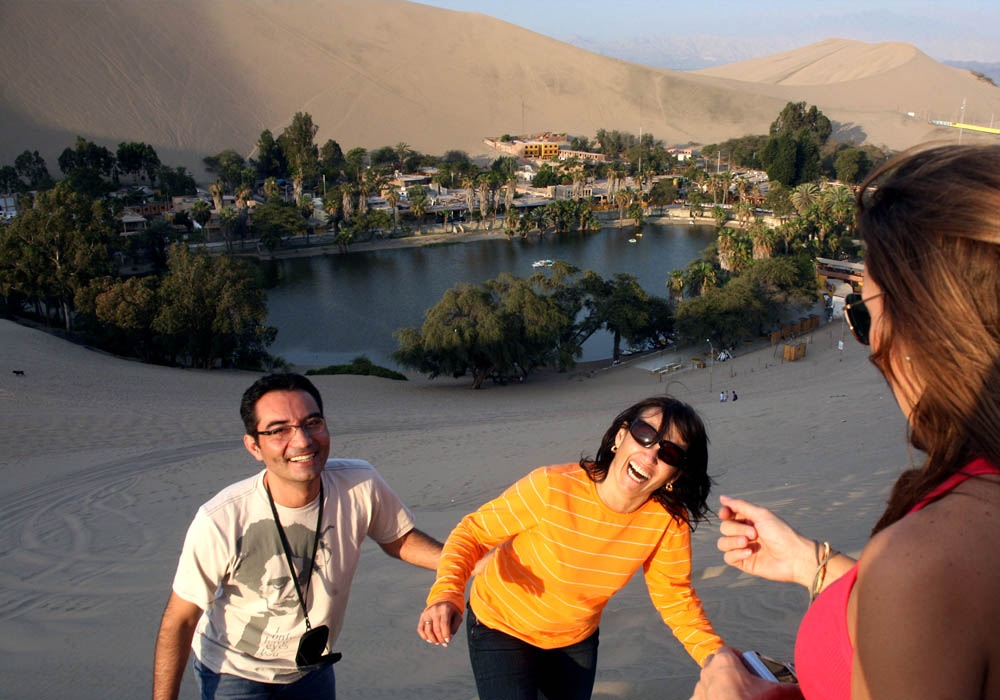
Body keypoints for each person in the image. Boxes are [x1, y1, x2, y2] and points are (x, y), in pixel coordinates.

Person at [691, 144, 1000, 700]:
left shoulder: (927, 561)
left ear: (925, 329)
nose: (869, 344)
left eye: (865, 315)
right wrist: (814, 565)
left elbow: (929, 594)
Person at [153, 373, 443, 700]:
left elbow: (398, 539)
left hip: (311, 668)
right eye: (279, 431)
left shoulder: (359, 483)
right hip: (234, 672)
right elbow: (180, 618)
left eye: (312, 423)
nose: (302, 441)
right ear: (254, 446)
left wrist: (466, 562)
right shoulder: (222, 518)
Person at [419, 395, 724, 700]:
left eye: (669, 452)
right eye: (645, 434)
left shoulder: (669, 522)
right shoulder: (552, 486)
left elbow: (673, 595)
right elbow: (473, 533)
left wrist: (717, 659)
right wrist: (447, 593)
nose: (650, 454)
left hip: (575, 639)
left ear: (677, 473)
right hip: (500, 623)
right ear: (621, 436)